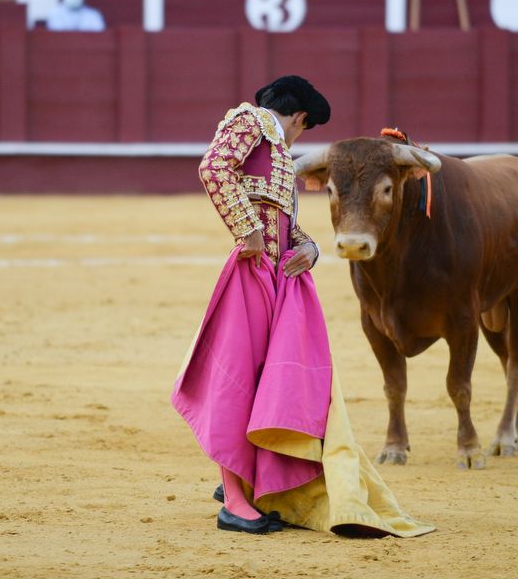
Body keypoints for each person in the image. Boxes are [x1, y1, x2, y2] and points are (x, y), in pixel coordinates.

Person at [175, 76, 434, 539]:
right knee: (242, 382)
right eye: (304, 129)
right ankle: (233, 500)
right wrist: (246, 231)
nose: (300, 138)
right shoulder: (252, 120)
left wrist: (309, 248)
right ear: (299, 118)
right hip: (252, 275)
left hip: (276, 278)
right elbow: (214, 168)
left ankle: (248, 487)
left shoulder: (275, 151)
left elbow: (285, 222)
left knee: (266, 381)